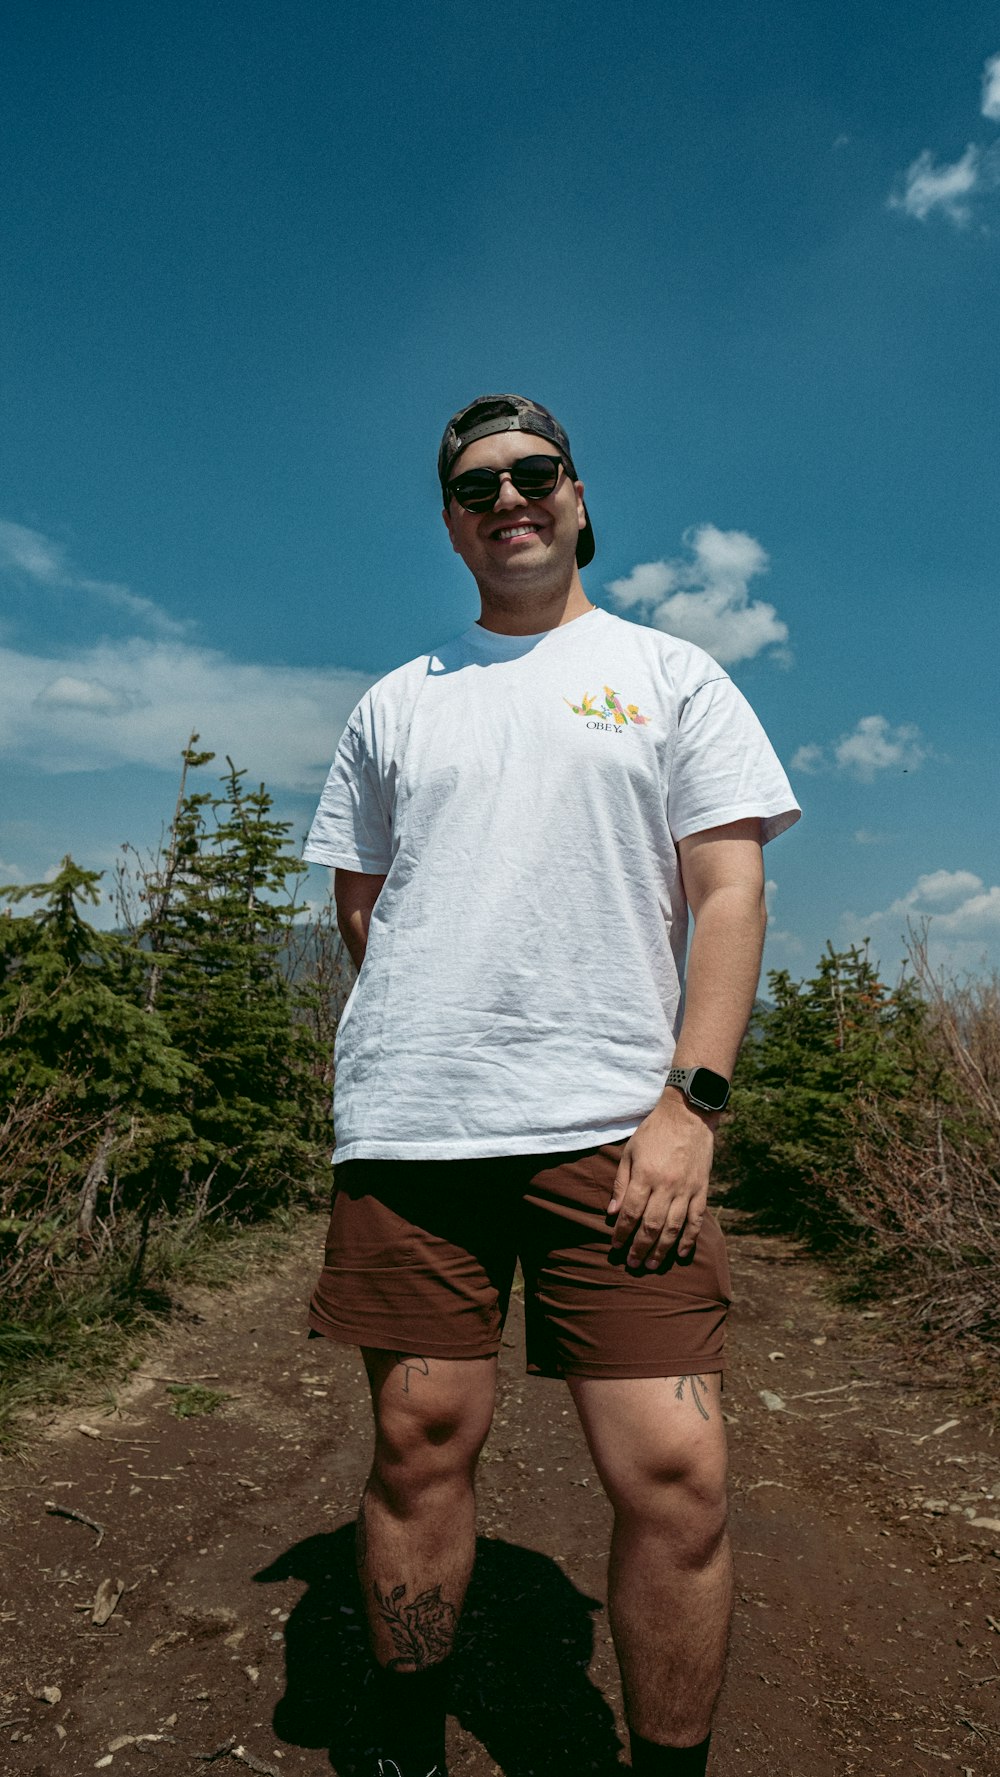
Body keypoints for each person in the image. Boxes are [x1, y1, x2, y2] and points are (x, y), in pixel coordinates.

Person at [303, 393, 800, 1777]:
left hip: (620, 1132)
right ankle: (406, 1746)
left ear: (578, 498)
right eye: (477, 486)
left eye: (533, 474)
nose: (508, 498)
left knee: (676, 1474)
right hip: (419, 1130)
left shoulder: (672, 675)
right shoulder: (398, 702)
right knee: (419, 1444)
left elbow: (731, 887)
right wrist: (450, 1031)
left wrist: (689, 1101)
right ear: (453, 522)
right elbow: (366, 907)